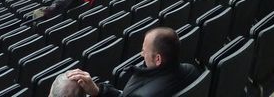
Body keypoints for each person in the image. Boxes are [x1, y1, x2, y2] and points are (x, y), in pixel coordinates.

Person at [67, 27, 200, 96]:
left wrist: (98, 92)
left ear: (158, 59)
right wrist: (97, 90)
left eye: (144, 51)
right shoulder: (192, 71)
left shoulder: (140, 94)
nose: (142, 54)